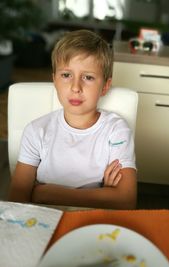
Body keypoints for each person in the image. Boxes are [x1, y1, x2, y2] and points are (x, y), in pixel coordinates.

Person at [8, 29, 137, 209]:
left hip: (91, 220)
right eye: (66, 75)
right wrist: (104, 194)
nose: (76, 87)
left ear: (105, 86)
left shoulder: (116, 130)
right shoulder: (36, 130)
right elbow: (17, 199)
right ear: (55, 80)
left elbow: (126, 199)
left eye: (88, 77)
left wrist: (47, 193)